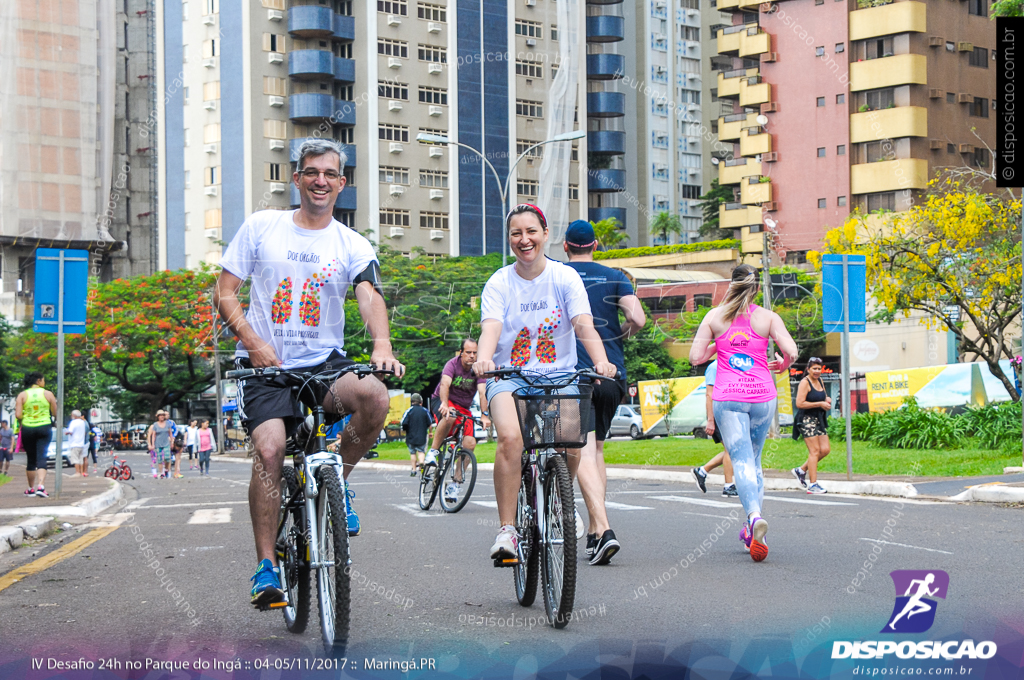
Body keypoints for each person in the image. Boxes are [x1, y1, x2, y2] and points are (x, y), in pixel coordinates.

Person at [214, 138, 404, 608]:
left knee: (375, 398)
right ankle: (265, 567)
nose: (321, 180)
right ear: (296, 178)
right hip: (265, 368)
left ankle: (339, 475)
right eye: (311, 172)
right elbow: (224, 292)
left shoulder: (352, 243)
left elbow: (368, 293)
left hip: (322, 366)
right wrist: (253, 343)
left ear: (342, 183)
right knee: (271, 449)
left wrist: (382, 342)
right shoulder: (263, 226)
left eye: (330, 174)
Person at [472, 204, 616, 563]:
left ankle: (555, 497)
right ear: (509, 239)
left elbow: (583, 323)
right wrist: (485, 359)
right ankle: (507, 529)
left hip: (558, 376)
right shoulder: (499, 282)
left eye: (531, 231)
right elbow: (490, 327)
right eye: (516, 233)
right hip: (509, 376)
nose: (525, 240)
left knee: (570, 445)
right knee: (510, 438)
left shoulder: (565, 277)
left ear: (546, 233)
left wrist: (599, 359)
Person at [689, 264, 798, 563]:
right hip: (763, 396)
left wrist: (717, 346)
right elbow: (792, 349)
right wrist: (784, 361)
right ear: (757, 289)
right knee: (755, 459)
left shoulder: (714, 317)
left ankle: (753, 517)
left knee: (741, 461)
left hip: (730, 398)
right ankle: (752, 530)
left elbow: (695, 357)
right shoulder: (768, 317)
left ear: (730, 285)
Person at [562, 220, 647, 565]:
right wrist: (619, 334)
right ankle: (596, 533)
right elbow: (638, 318)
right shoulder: (615, 276)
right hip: (611, 372)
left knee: (576, 447)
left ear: (565, 246)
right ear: (595, 245)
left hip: (573, 372)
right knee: (596, 449)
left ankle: (602, 526)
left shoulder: (558, 274)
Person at [425, 338, 491, 502]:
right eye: (468, 352)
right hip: (444, 402)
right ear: (461, 353)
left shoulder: (478, 370)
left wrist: (484, 414)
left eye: (475, 353)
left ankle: (455, 484)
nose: (472, 356)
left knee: (470, 443)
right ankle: (432, 452)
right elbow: (445, 385)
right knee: (450, 415)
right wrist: (445, 405)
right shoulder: (452, 364)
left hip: (464, 408)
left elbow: (482, 393)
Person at [692, 359, 737, 497]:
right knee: (731, 449)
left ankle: (702, 471)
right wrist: (710, 420)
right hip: (720, 414)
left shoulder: (735, 364)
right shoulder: (714, 367)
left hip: (732, 413)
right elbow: (709, 395)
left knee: (735, 448)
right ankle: (728, 486)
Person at [791, 357, 832, 494]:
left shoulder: (820, 380)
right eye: (814, 368)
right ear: (808, 369)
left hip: (819, 419)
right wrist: (820, 404)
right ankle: (813, 485)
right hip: (806, 419)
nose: (817, 371)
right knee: (814, 451)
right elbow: (799, 403)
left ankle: (801, 470)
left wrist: (826, 400)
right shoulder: (805, 382)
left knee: (825, 449)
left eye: (819, 368)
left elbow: (822, 396)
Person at [15, 372, 56, 498]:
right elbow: (55, 412)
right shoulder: (48, 394)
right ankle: (41, 487)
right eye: (43, 380)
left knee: (31, 459)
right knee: (42, 456)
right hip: (44, 427)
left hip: (28, 428)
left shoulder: (22, 395)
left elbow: (18, 415)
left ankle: (30, 489)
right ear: (38, 381)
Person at [401, 394, 432, 477]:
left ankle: (414, 470)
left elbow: (403, 423)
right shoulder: (425, 411)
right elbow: (430, 423)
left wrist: (405, 430)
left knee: (412, 453)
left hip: (410, 436)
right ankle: (421, 464)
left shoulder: (409, 411)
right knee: (421, 451)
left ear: (411, 402)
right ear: (421, 402)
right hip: (422, 436)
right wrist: (430, 432)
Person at [148, 411, 174, 479]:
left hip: (166, 443)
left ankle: (166, 469)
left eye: (163, 415)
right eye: (160, 415)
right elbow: (153, 435)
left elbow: (170, 434)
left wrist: (172, 442)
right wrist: (152, 444)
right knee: (159, 459)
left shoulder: (168, 424)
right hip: (158, 444)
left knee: (167, 458)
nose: (162, 416)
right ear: (158, 416)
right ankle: (161, 472)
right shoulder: (155, 425)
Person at [65, 410, 90, 477]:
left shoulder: (73, 422)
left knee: (75, 458)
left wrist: (66, 432)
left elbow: (70, 431)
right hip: (81, 443)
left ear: (74, 416)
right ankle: (81, 472)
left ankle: (77, 472)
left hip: (74, 443)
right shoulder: (82, 422)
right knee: (80, 459)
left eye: (72, 415)